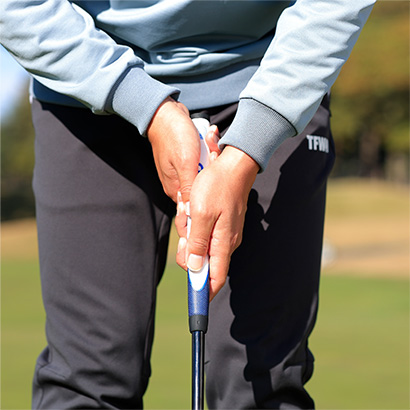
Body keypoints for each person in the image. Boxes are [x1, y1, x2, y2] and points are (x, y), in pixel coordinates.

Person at [0, 1, 375, 408]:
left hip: (274, 74)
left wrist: (248, 149)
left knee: (260, 381)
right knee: (87, 380)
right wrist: (146, 105)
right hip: (87, 76)